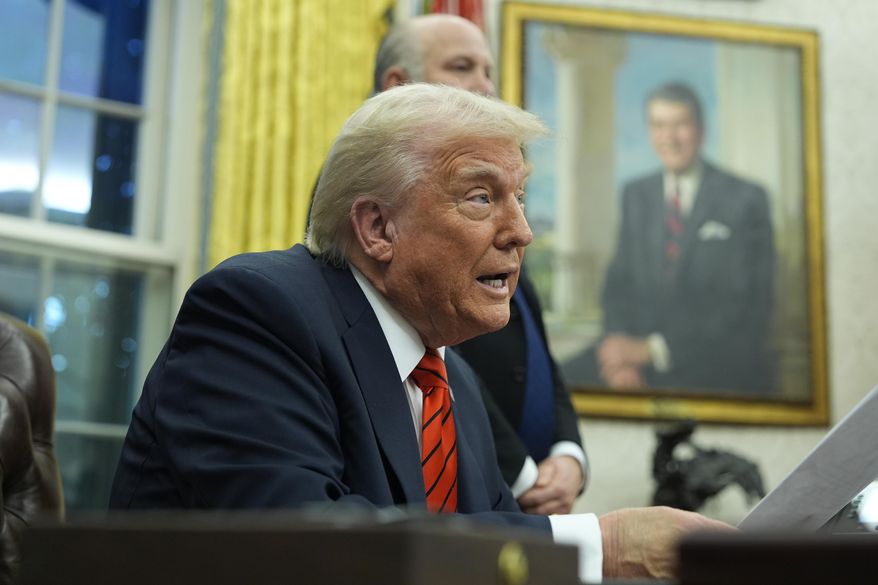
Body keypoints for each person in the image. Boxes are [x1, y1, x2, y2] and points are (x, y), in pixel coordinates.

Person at [110, 83, 731, 582]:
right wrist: (609, 545)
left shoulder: (451, 380)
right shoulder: (259, 311)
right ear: (378, 228)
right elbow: (306, 545)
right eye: (482, 197)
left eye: (520, 197)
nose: (522, 231)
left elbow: (485, 551)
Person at [374, 13, 588, 515]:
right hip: (465, 492)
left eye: (489, 70)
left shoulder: (502, 212)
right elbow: (428, 359)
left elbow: (536, 351)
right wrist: (521, 474)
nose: (486, 86)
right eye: (462, 67)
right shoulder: (370, 189)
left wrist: (569, 452)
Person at [563, 82, 776, 394]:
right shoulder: (636, 194)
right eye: (659, 126)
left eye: (680, 125)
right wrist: (620, 359)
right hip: (634, 357)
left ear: (701, 130)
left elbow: (746, 307)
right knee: (555, 382)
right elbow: (618, 285)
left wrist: (653, 350)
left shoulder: (745, 199)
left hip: (709, 363)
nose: (669, 138)